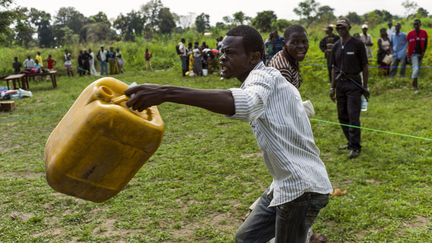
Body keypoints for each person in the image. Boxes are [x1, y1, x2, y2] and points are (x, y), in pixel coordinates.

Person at [124, 25, 332, 242]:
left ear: (254, 57)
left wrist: (166, 92)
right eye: (222, 52)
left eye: (230, 53)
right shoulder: (270, 80)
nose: (222, 58)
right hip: (284, 183)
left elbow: (247, 104)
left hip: (301, 188)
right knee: (247, 238)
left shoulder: (263, 77)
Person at [330, 17, 369, 159]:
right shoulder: (335, 46)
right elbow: (333, 68)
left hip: (354, 84)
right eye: (338, 27)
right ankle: (350, 141)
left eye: (343, 27)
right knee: (342, 116)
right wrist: (332, 87)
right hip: (340, 84)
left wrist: (365, 86)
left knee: (353, 116)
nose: (340, 29)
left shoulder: (357, 44)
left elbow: (365, 66)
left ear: (349, 27)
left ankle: (355, 147)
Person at [407, 19, 428, 93]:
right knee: (415, 69)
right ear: (413, 25)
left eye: (417, 24)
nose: (416, 25)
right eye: (415, 24)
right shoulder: (410, 34)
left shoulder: (424, 33)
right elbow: (408, 45)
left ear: (420, 24)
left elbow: (425, 44)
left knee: (417, 70)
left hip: (420, 54)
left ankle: (415, 86)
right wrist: (408, 56)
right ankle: (413, 83)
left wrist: (423, 53)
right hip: (413, 54)